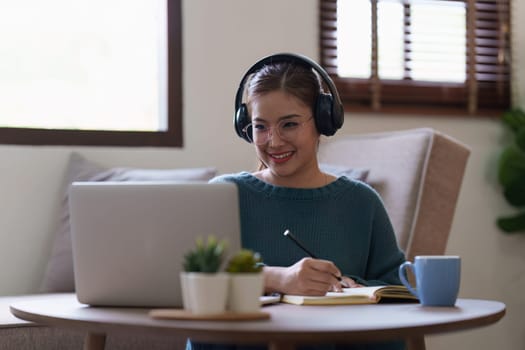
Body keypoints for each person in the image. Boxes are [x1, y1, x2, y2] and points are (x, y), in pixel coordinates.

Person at [187, 53, 406, 350]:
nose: (273, 141)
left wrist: (347, 288)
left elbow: (399, 291)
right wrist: (279, 278)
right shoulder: (223, 195)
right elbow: (195, 276)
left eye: (289, 124)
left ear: (323, 120)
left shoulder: (362, 203)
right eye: (260, 127)